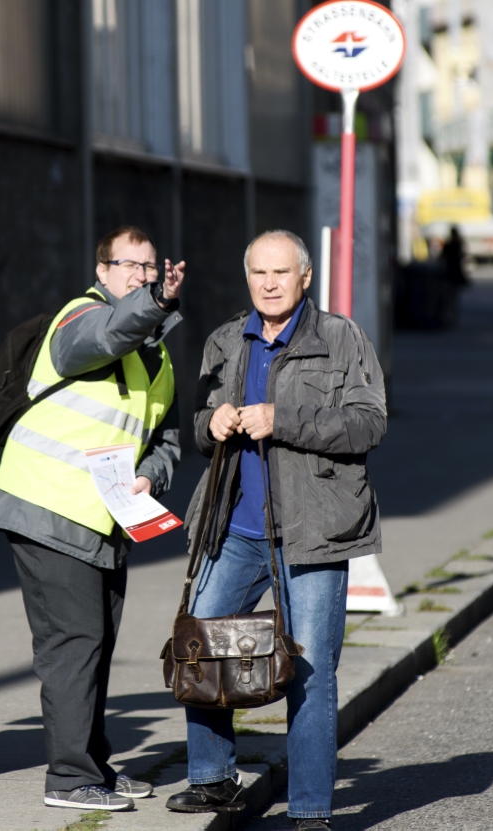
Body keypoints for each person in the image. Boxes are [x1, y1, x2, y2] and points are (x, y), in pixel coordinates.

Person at [165, 230, 386, 830]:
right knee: (203, 649)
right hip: (233, 527)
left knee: (310, 670)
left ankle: (311, 811)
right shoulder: (226, 340)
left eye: (280, 273)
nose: (268, 284)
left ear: (304, 278)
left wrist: (280, 419)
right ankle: (213, 781)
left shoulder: (342, 339)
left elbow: (369, 423)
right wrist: (215, 421)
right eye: (258, 274)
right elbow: (198, 420)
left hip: (313, 533)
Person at [0, 226, 185, 812]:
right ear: (102, 271)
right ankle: (69, 778)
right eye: (129, 265)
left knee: (95, 643)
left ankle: (93, 762)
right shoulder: (80, 319)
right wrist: (154, 305)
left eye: (150, 268)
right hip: (48, 504)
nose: (141, 276)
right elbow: (105, 335)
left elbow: (167, 437)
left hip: (106, 516)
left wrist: (152, 471)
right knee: (74, 642)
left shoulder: (158, 352)